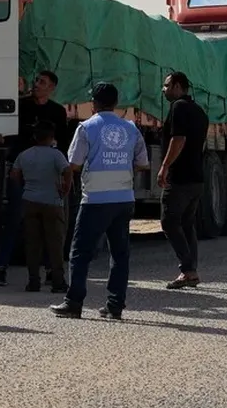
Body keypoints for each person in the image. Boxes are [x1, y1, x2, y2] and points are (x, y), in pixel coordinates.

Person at [52, 82, 149, 321]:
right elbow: (143, 163)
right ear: (116, 103)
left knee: (80, 252)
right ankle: (115, 306)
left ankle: (74, 303)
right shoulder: (130, 128)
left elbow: (73, 163)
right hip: (124, 199)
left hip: (95, 200)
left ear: (94, 103)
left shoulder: (87, 127)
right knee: (119, 253)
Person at [0, 69, 67, 287]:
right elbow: (8, 133)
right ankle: (1, 268)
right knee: (15, 219)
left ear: (52, 87)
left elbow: (63, 144)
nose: (36, 84)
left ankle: (51, 269)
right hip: (23, 171)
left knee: (50, 224)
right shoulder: (21, 106)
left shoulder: (57, 112)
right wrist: (1, 140)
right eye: (36, 80)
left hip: (47, 175)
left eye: (42, 82)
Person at [156, 71, 209, 289]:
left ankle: (187, 270)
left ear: (178, 86)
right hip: (197, 177)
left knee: (169, 221)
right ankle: (191, 271)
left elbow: (178, 139)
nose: (163, 89)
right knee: (187, 223)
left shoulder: (178, 107)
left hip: (181, 178)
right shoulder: (199, 111)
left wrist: (165, 167)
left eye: (166, 85)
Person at [14, 120, 72, 293]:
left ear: (34, 137)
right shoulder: (56, 155)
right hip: (52, 202)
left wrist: (23, 187)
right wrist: (65, 190)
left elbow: (14, 173)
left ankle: (33, 281)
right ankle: (58, 281)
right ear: (52, 138)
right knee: (55, 243)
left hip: (30, 201)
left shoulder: (24, 155)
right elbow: (67, 171)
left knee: (32, 244)